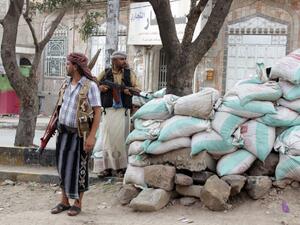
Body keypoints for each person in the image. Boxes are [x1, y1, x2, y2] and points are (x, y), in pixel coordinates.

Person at [50, 52, 101, 216]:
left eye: (67, 64)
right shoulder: (66, 84)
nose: (66, 66)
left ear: (75, 66)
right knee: (63, 167)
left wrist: (92, 136)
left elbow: (98, 112)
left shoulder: (90, 86)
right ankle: (64, 201)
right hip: (63, 133)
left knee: (80, 168)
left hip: (80, 135)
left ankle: (77, 204)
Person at [94, 51, 139, 177]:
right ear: (114, 61)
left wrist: (129, 91)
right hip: (108, 110)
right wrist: (101, 88)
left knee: (121, 140)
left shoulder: (130, 74)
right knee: (107, 140)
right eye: (121, 59)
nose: (124, 61)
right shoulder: (105, 73)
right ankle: (107, 168)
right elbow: (94, 84)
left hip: (122, 111)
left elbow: (138, 89)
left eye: (125, 59)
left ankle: (121, 168)